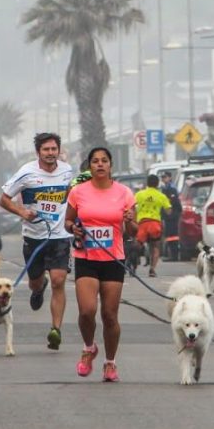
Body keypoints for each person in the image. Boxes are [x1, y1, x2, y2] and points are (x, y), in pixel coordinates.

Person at [64, 147, 137, 382]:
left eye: (104, 161)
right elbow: (67, 222)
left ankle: (110, 362)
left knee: (109, 315)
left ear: (110, 165)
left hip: (113, 259)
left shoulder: (125, 193)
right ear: (90, 166)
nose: (100, 164)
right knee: (87, 311)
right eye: (95, 161)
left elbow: (133, 231)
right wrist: (73, 228)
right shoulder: (78, 192)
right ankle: (89, 348)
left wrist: (130, 222)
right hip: (86, 257)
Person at [0, 132, 74, 350]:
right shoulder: (26, 172)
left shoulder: (67, 171)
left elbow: (71, 196)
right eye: (46, 149)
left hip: (59, 236)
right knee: (35, 282)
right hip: (34, 238)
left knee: (59, 280)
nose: (50, 153)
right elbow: (4, 200)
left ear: (59, 150)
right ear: (38, 152)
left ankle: (56, 330)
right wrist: (22, 212)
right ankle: (39, 288)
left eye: (54, 149)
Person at [133, 174, 172, 277]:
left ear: (147, 183)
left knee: (137, 245)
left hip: (142, 223)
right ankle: (152, 269)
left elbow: (132, 206)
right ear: (158, 184)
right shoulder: (161, 196)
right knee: (155, 247)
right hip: (155, 224)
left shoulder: (139, 194)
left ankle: (134, 263)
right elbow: (168, 211)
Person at [159, 172, 182, 261]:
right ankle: (171, 254)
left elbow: (175, 202)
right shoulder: (164, 188)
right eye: (162, 177)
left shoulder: (172, 188)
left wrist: (174, 214)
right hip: (167, 216)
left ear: (170, 177)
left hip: (172, 215)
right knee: (169, 235)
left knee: (173, 235)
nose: (163, 179)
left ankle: (174, 256)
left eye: (165, 177)